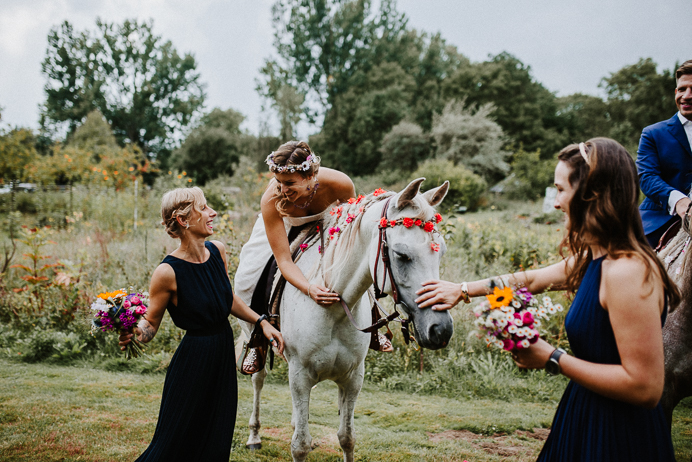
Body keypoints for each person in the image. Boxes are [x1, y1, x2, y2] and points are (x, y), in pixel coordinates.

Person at [416, 138, 680, 461]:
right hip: (584, 414)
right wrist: (462, 290)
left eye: (560, 189)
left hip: (618, 435)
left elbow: (646, 387)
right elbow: (532, 281)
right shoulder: (596, 259)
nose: (555, 203)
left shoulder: (627, 271)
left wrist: (552, 358)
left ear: (591, 194)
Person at [118, 187, 284, 462]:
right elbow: (150, 327)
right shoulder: (166, 272)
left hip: (222, 357)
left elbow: (227, 298)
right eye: (204, 208)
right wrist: (131, 332)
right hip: (193, 362)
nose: (212, 213)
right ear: (183, 220)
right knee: (176, 441)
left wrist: (261, 321)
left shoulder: (217, 251)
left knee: (217, 437)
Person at [234, 141, 392, 374]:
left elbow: (351, 231)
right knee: (248, 277)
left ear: (311, 176)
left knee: (353, 262)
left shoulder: (341, 183)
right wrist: (309, 288)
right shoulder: (272, 199)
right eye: (278, 182)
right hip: (287, 227)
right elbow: (284, 261)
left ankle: (373, 323)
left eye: (289, 183)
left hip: (329, 225)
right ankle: (257, 340)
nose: (282, 189)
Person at [637, 59, 692, 248]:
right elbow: (647, 177)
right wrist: (679, 201)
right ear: (675, 92)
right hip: (660, 221)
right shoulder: (653, 133)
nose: (687, 96)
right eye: (682, 89)